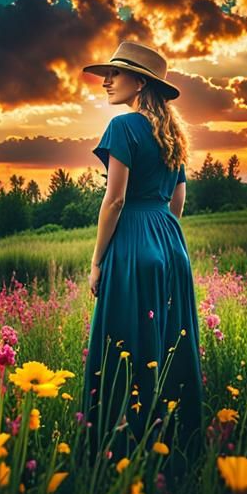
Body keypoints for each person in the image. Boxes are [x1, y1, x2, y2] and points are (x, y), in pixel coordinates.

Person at [79, 40, 204, 468]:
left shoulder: (123, 126)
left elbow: (114, 200)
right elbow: (178, 201)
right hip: (171, 244)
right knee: (170, 341)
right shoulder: (173, 136)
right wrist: (160, 233)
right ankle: (175, 445)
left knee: (123, 343)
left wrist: (97, 261)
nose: (106, 81)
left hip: (133, 238)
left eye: (115, 73)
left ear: (141, 82)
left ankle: (118, 450)